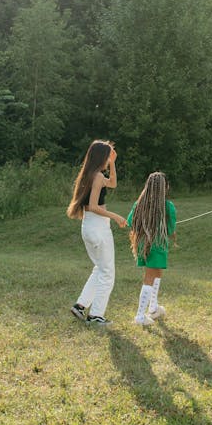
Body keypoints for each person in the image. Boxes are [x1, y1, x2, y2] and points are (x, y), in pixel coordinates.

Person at [66, 139, 128, 326]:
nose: (109, 158)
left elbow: (114, 183)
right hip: (98, 227)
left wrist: (113, 163)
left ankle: (80, 306)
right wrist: (116, 216)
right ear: (102, 156)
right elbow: (93, 206)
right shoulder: (97, 176)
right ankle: (96, 316)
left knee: (100, 268)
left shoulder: (90, 174)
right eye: (108, 155)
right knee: (107, 273)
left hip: (88, 226)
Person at [127, 171, 177, 327]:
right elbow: (170, 230)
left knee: (157, 273)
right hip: (157, 245)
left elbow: (131, 223)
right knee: (149, 277)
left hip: (144, 243)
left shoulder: (138, 204)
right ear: (164, 187)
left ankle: (153, 308)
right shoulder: (168, 206)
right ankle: (140, 315)